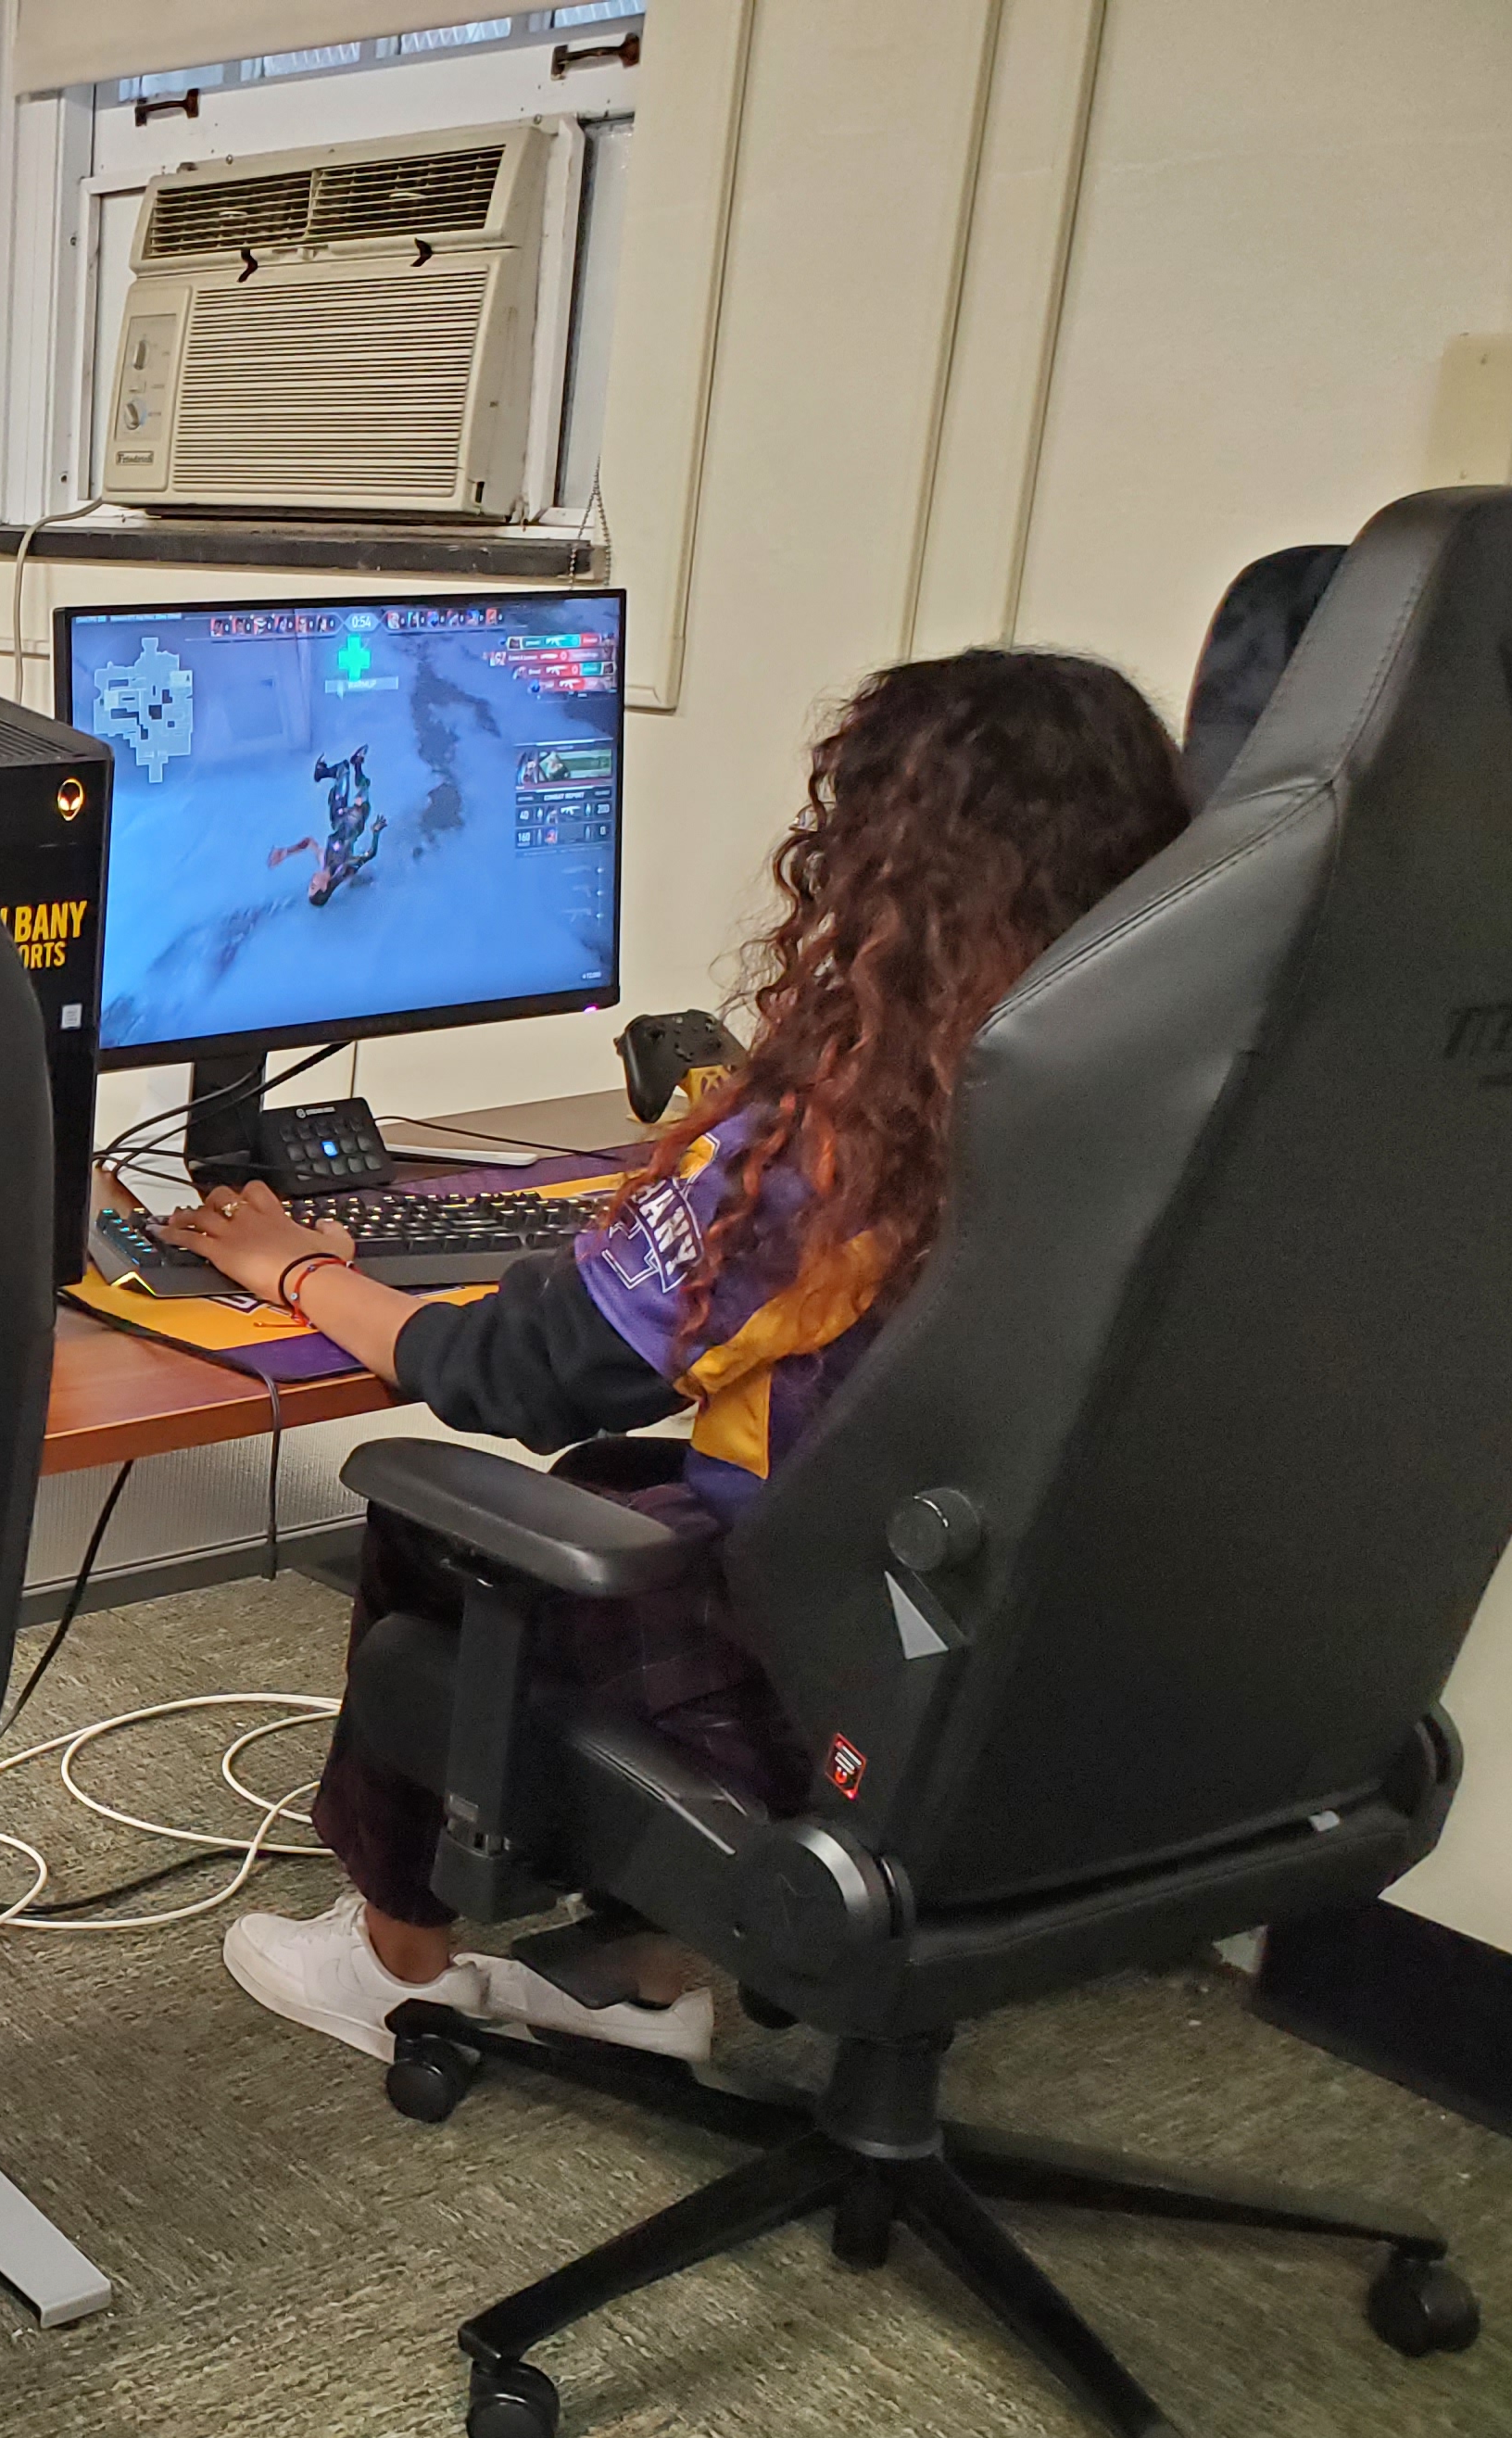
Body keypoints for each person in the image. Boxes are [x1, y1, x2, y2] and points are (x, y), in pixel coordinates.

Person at [153, 648, 1193, 2066]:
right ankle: (637, 1982)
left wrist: (297, 1268)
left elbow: (512, 1372)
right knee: (616, 1477)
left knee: (437, 1526)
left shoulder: (839, 1150)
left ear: (886, 877)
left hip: (818, 1682)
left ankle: (397, 1968)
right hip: (1029, 1668)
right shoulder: (1167, 1106)